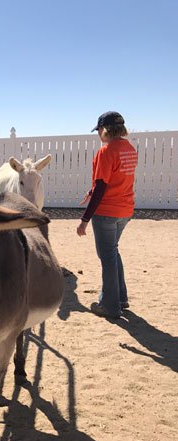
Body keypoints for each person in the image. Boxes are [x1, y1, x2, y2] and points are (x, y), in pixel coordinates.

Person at [77, 111, 138, 319]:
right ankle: (121, 298)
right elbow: (111, 180)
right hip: (125, 209)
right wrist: (90, 191)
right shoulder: (129, 149)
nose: (98, 134)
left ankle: (109, 306)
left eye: (99, 130)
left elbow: (102, 186)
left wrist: (84, 220)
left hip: (106, 212)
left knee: (107, 257)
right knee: (112, 253)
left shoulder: (106, 151)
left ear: (105, 129)